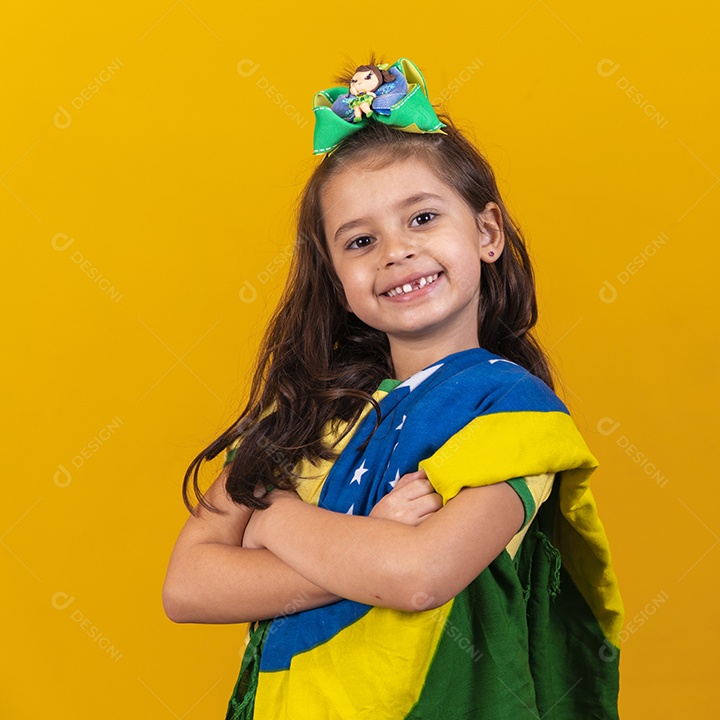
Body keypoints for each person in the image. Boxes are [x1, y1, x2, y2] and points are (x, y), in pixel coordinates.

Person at [162, 55, 625, 719]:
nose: (394, 252)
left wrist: (276, 517)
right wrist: (363, 545)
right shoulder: (305, 415)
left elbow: (416, 576)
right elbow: (189, 584)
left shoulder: (511, 411)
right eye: (359, 241)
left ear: (486, 232)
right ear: (335, 278)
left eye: (422, 218)